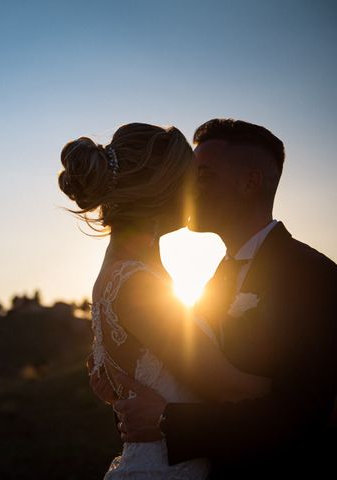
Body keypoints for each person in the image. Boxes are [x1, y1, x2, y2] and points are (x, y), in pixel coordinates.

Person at [105, 119, 337, 479]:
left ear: (250, 182)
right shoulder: (210, 280)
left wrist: (169, 420)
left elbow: (306, 415)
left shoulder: (313, 276)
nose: (188, 188)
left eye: (204, 176)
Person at [58, 122, 271, 479]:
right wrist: (314, 390)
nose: (197, 190)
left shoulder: (121, 272)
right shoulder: (139, 284)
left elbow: (140, 378)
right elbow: (226, 386)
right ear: (162, 189)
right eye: (190, 178)